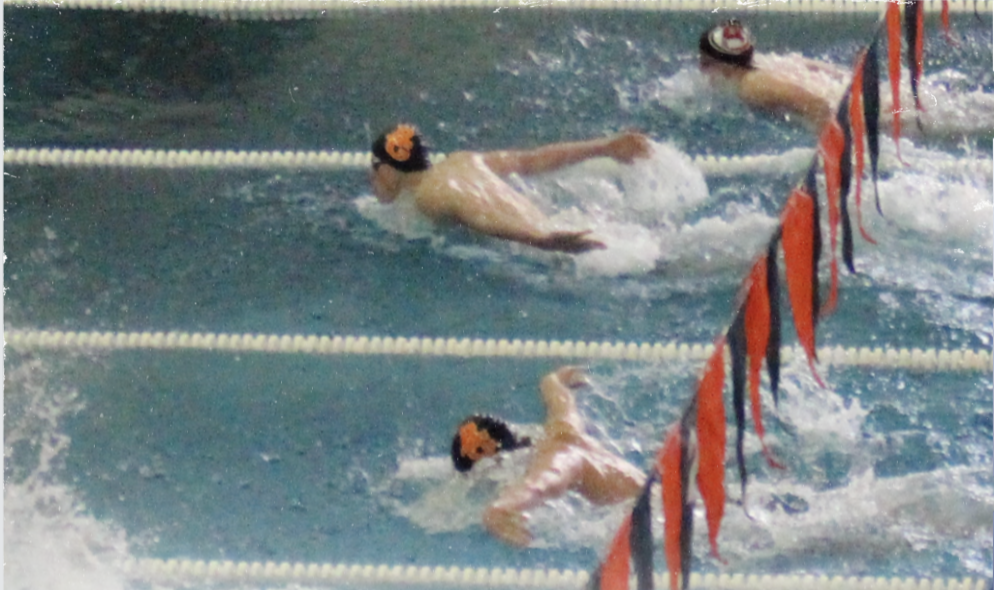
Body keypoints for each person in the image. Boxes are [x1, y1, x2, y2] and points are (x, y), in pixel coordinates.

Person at [370, 124, 652, 253]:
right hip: (558, 229)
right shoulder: (463, 161)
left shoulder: (428, 196)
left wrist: (542, 239)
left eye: (374, 169)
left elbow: (477, 213)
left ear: (387, 168)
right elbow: (528, 160)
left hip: (551, 247)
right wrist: (603, 147)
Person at [450, 366, 646, 547]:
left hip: (658, 514)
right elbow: (559, 395)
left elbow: (542, 482)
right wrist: (553, 380)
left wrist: (500, 509)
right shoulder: (561, 429)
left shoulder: (558, 454)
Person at [698, 19, 834, 133]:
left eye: (706, 63)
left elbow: (816, 105)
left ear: (727, 67)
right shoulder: (760, 64)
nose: (701, 69)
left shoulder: (751, 87)